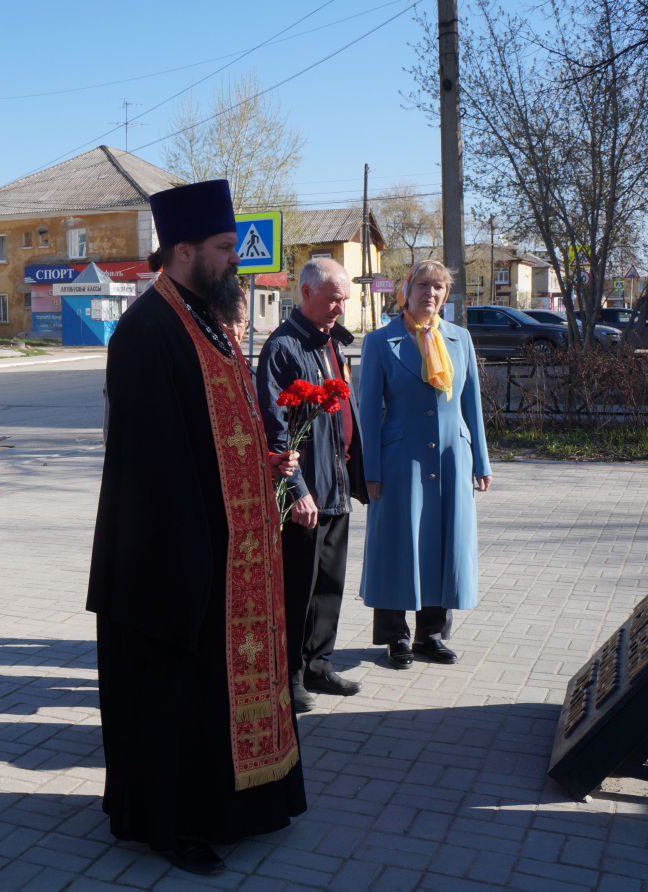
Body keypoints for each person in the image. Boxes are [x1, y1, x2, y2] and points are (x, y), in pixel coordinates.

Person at [87, 180, 305, 877]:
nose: (231, 261)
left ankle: (238, 805)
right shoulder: (148, 331)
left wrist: (267, 462)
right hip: (172, 558)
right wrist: (201, 548)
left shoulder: (206, 316)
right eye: (220, 248)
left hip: (226, 544)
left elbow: (221, 432)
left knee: (213, 691)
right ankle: (173, 824)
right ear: (182, 250)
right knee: (173, 694)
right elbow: (151, 468)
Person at [357, 260, 492, 668]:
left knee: (443, 544)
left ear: (444, 295)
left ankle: (430, 636)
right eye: (422, 285)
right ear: (406, 289)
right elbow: (367, 411)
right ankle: (395, 637)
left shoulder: (460, 338)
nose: (429, 293)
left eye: (437, 287)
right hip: (400, 460)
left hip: (452, 456)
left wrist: (481, 461)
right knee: (398, 544)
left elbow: (472, 404)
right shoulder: (381, 341)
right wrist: (371, 472)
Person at [256, 258, 369, 713]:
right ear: (305, 293)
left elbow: (346, 416)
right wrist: (297, 488)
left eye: (344, 298)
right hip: (305, 494)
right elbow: (274, 427)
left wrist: (360, 476)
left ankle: (320, 663)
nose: (341, 307)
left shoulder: (331, 344)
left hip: (336, 487)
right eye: (334, 298)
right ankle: (290, 676)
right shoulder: (283, 348)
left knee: (329, 584)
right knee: (298, 589)